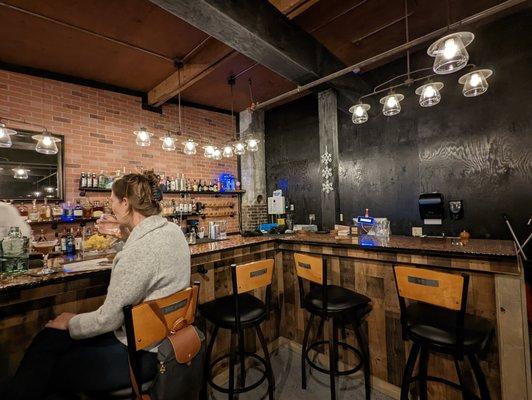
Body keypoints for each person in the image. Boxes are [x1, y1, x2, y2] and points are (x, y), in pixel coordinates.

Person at [4, 171, 191, 399]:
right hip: (167, 341)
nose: (110, 206)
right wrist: (124, 233)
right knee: (51, 341)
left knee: (48, 358)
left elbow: (109, 319)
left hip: (141, 356)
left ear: (125, 202)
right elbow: (146, 263)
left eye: (112, 200)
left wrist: (71, 321)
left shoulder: (139, 251)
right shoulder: (172, 231)